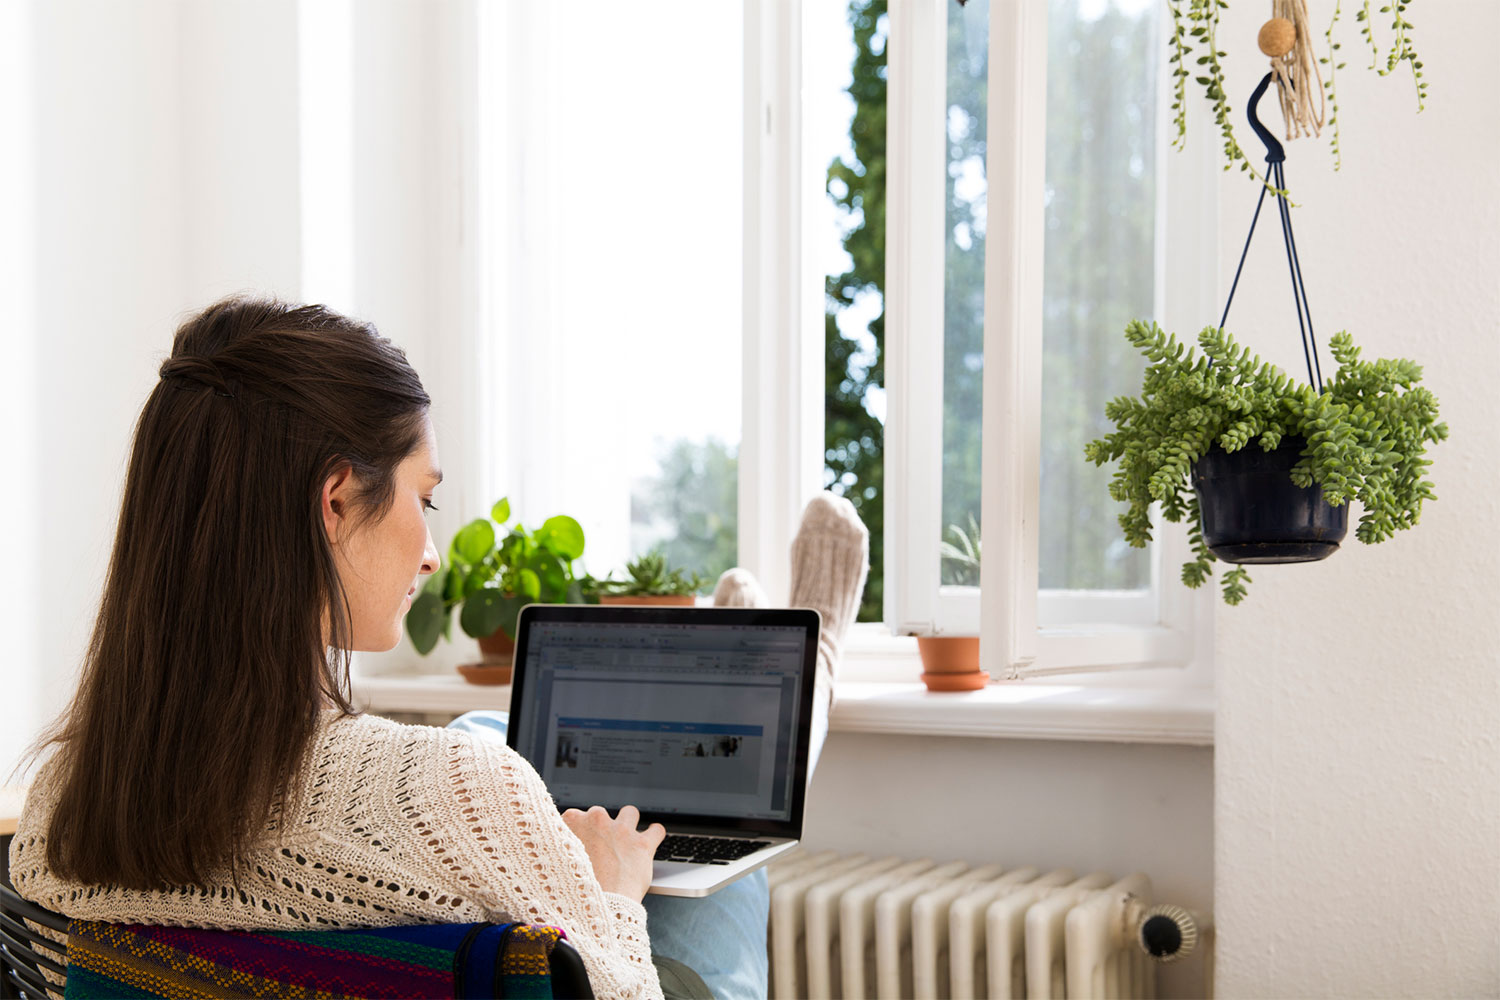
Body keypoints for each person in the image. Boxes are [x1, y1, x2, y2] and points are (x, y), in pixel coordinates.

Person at [9, 297, 681, 998]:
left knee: (480, 731)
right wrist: (617, 896)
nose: (431, 554)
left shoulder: (63, 805)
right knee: (708, 920)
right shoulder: (462, 795)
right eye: (424, 500)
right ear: (332, 502)